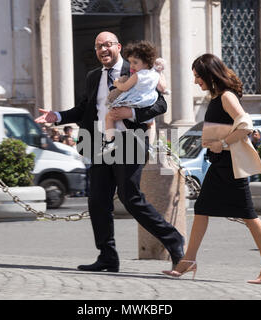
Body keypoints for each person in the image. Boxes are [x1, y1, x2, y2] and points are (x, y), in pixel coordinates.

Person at [35, 31, 185, 272]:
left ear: (118, 46)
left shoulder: (136, 68)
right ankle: (107, 256)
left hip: (130, 141)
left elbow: (161, 104)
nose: (102, 50)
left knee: (131, 198)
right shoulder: (94, 76)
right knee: (97, 201)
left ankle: (174, 241)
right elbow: (85, 108)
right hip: (99, 142)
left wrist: (133, 114)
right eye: (97, 47)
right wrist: (58, 116)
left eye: (107, 45)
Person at [163, 53, 261, 286]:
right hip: (219, 165)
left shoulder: (226, 96)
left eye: (198, 76)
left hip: (230, 166)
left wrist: (222, 143)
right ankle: (188, 260)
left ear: (209, 74)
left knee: (249, 215)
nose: (196, 81)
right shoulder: (216, 97)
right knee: (202, 209)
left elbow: (245, 123)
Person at [102, 40, 166, 154]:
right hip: (147, 101)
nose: (132, 65)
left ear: (146, 63)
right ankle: (151, 147)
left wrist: (116, 83)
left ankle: (109, 142)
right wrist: (160, 72)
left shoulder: (137, 75)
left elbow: (124, 87)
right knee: (151, 123)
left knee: (109, 117)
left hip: (133, 104)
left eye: (135, 62)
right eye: (130, 62)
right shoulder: (155, 74)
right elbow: (163, 88)